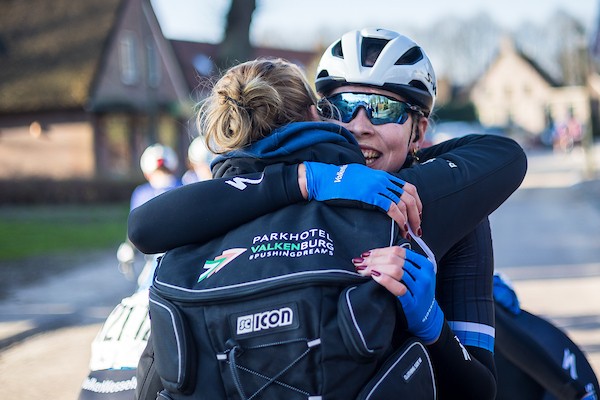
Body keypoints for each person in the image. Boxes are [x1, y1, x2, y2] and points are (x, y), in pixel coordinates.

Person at [129, 30, 528, 399]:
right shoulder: (255, 198)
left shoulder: (423, 199)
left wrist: (432, 324)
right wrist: (310, 175)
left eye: (382, 109)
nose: (358, 125)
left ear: (419, 129)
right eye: (342, 106)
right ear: (316, 116)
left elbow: (479, 389)